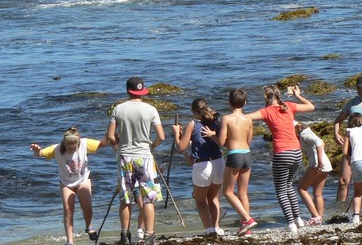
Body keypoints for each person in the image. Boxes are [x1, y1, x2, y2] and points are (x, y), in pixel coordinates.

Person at [244, 85, 314, 233]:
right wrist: (297, 95)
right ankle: (298, 220)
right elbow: (311, 106)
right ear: (278, 95)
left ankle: (291, 224)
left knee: (281, 191)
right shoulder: (288, 106)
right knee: (289, 186)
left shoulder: (266, 112)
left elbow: (245, 117)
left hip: (282, 153)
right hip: (296, 152)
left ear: (265, 97)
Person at [106, 77, 165, 245]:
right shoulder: (151, 109)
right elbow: (161, 136)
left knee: (126, 197)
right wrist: (152, 146)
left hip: (125, 156)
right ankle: (149, 234)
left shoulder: (118, 109)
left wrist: (117, 145)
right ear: (142, 91)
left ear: (127, 91)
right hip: (144, 156)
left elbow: (110, 135)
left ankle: (125, 234)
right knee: (148, 197)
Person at [30, 127, 110, 245]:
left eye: (74, 148)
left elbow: (102, 144)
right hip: (66, 183)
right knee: (68, 210)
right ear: (64, 145)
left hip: (83, 180)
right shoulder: (56, 149)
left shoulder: (84, 143)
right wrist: (37, 150)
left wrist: (108, 136)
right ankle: (70, 241)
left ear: (78, 143)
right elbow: (40, 154)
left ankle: (89, 227)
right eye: (69, 148)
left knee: (87, 206)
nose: (72, 150)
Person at [202, 89, 256, 237]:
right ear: (244, 103)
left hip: (234, 156)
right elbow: (248, 141)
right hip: (246, 154)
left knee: (227, 191)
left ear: (229, 102)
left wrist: (212, 135)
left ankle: (247, 219)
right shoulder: (248, 119)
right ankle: (246, 229)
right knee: (243, 193)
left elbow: (221, 141)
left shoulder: (226, 118)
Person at [172, 98, 224, 237]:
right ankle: (216, 226)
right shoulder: (215, 122)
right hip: (219, 162)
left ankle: (209, 230)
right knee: (213, 198)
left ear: (194, 112)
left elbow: (182, 148)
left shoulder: (193, 124)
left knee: (200, 201)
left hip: (202, 165)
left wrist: (177, 134)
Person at [295, 121, 332, 226]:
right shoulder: (308, 133)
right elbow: (321, 143)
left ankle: (315, 216)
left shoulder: (304, 134)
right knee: (318, 193)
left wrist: (319, 160)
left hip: (317, 164)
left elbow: (319, 142)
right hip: (326, 165)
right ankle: (319, 219)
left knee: (301, 189)